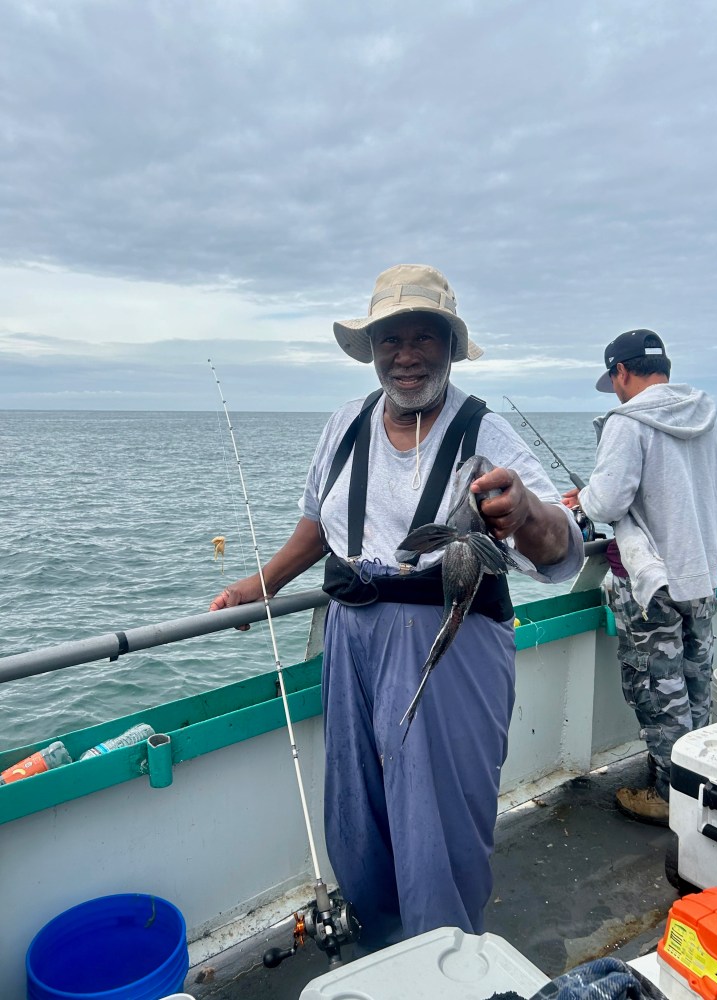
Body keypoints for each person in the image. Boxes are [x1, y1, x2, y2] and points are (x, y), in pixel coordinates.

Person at [210, 263, 584, 950]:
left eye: (423, 338)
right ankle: (378, 953)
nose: (406, 355)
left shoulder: (483, 430)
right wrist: (254, 588)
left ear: (447, 346)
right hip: (350, 636)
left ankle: (443, 962)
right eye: (390, 340)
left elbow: (561, 549)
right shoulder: (345, 424)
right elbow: (315, 529)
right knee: (358, 811)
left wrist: (525, 507)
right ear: (372, 350)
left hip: (450, 637)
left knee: (439, 819)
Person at [562, 329, 717, 826]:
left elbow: (609, 501)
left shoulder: (626, 422)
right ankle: (700, 785)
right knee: (696, 683)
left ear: (622, 372)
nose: (616, 391)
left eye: (614, 381)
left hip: (653, 580)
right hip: (701, 569)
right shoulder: (704, 414)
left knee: (658, 687)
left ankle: (670, 796)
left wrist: (580, 500)